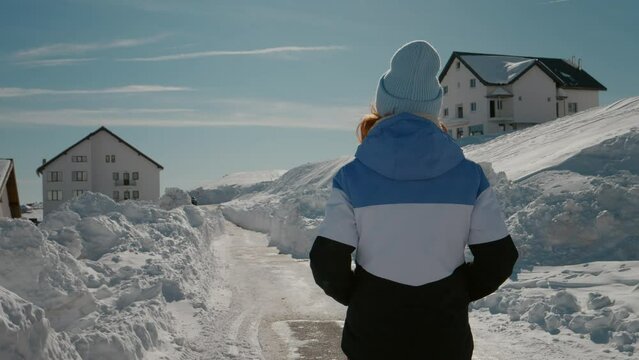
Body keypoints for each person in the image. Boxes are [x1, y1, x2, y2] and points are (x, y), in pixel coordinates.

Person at [309, 40, 519, 360]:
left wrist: (365, 295)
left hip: (372, 336)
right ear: (434, 109)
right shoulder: (469, 177)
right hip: (444, 336)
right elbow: (499, 257)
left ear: (382, 104)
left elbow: (327, 261)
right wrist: (454, 291)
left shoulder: (352, 177)